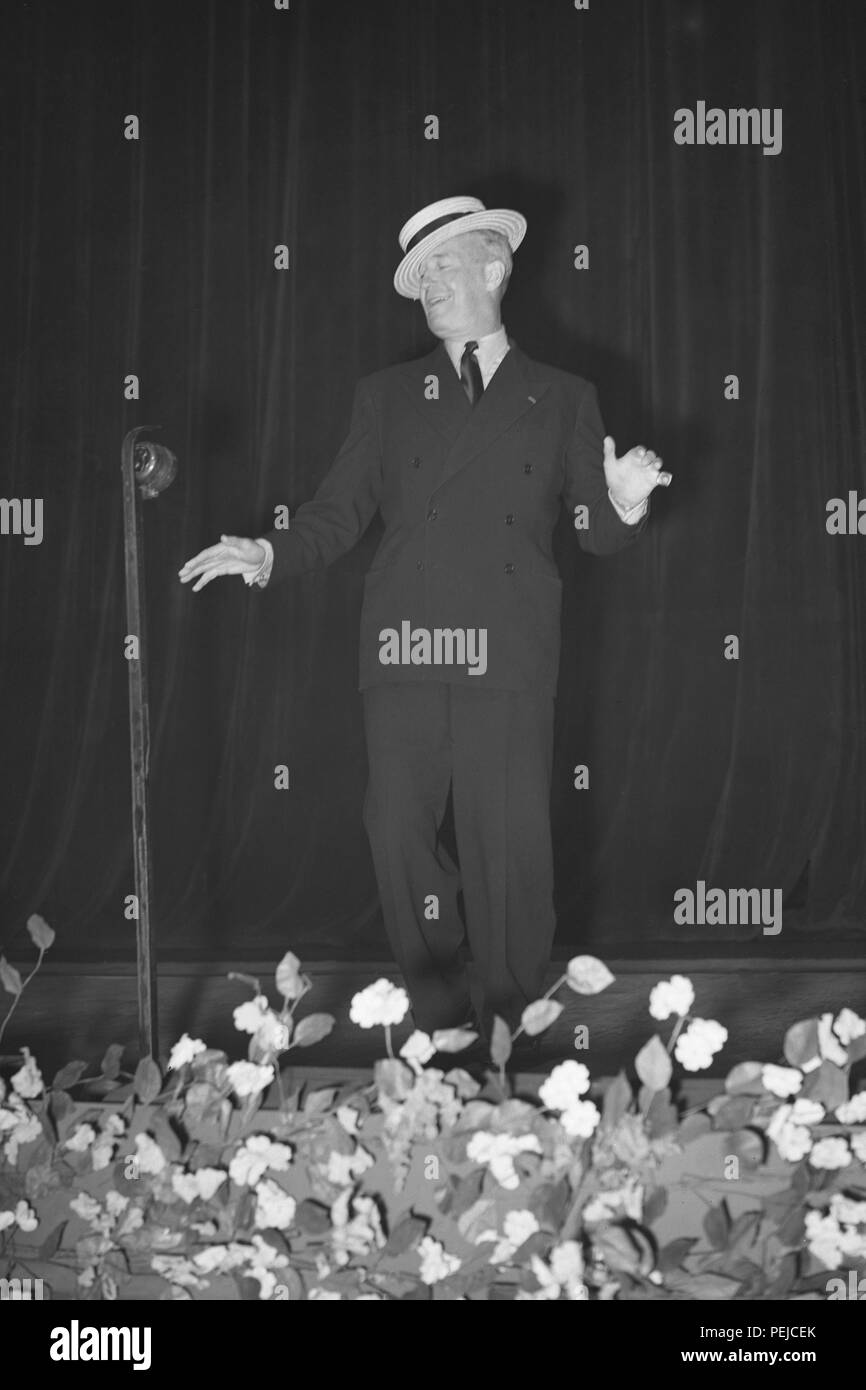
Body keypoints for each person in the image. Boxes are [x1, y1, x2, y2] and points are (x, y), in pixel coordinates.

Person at [179, 195, 671, 1044]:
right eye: (419, 276)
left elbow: (594, 534)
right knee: (397, 832)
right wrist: (268, 552)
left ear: (494, 267)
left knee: (507, 846)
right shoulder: (388, 395)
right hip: (405, 647)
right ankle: (445, 1023)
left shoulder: (563, 397)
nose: (429, 285)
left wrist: (623, 503)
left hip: (509, 652)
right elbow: (336, 514)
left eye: (445, 264)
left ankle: (510, 1031)